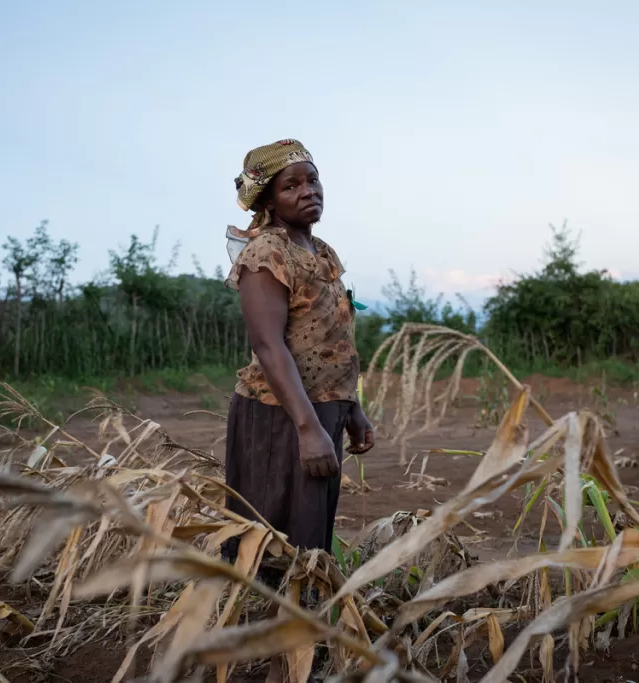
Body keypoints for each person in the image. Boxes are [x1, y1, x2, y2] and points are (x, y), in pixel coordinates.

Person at [221, 139, 375, 681]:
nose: (308, 192)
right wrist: (309, 428)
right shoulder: (266, 254)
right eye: (291, 185)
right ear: (267, 196)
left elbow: (332, 336)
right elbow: (269, 346)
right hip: (278, 416)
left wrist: (349, 408)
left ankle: (304, 642)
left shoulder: (322, 252)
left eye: (312, 180)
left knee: (313, 534)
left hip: (323, 412)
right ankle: (261, 651)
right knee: (273, 534)